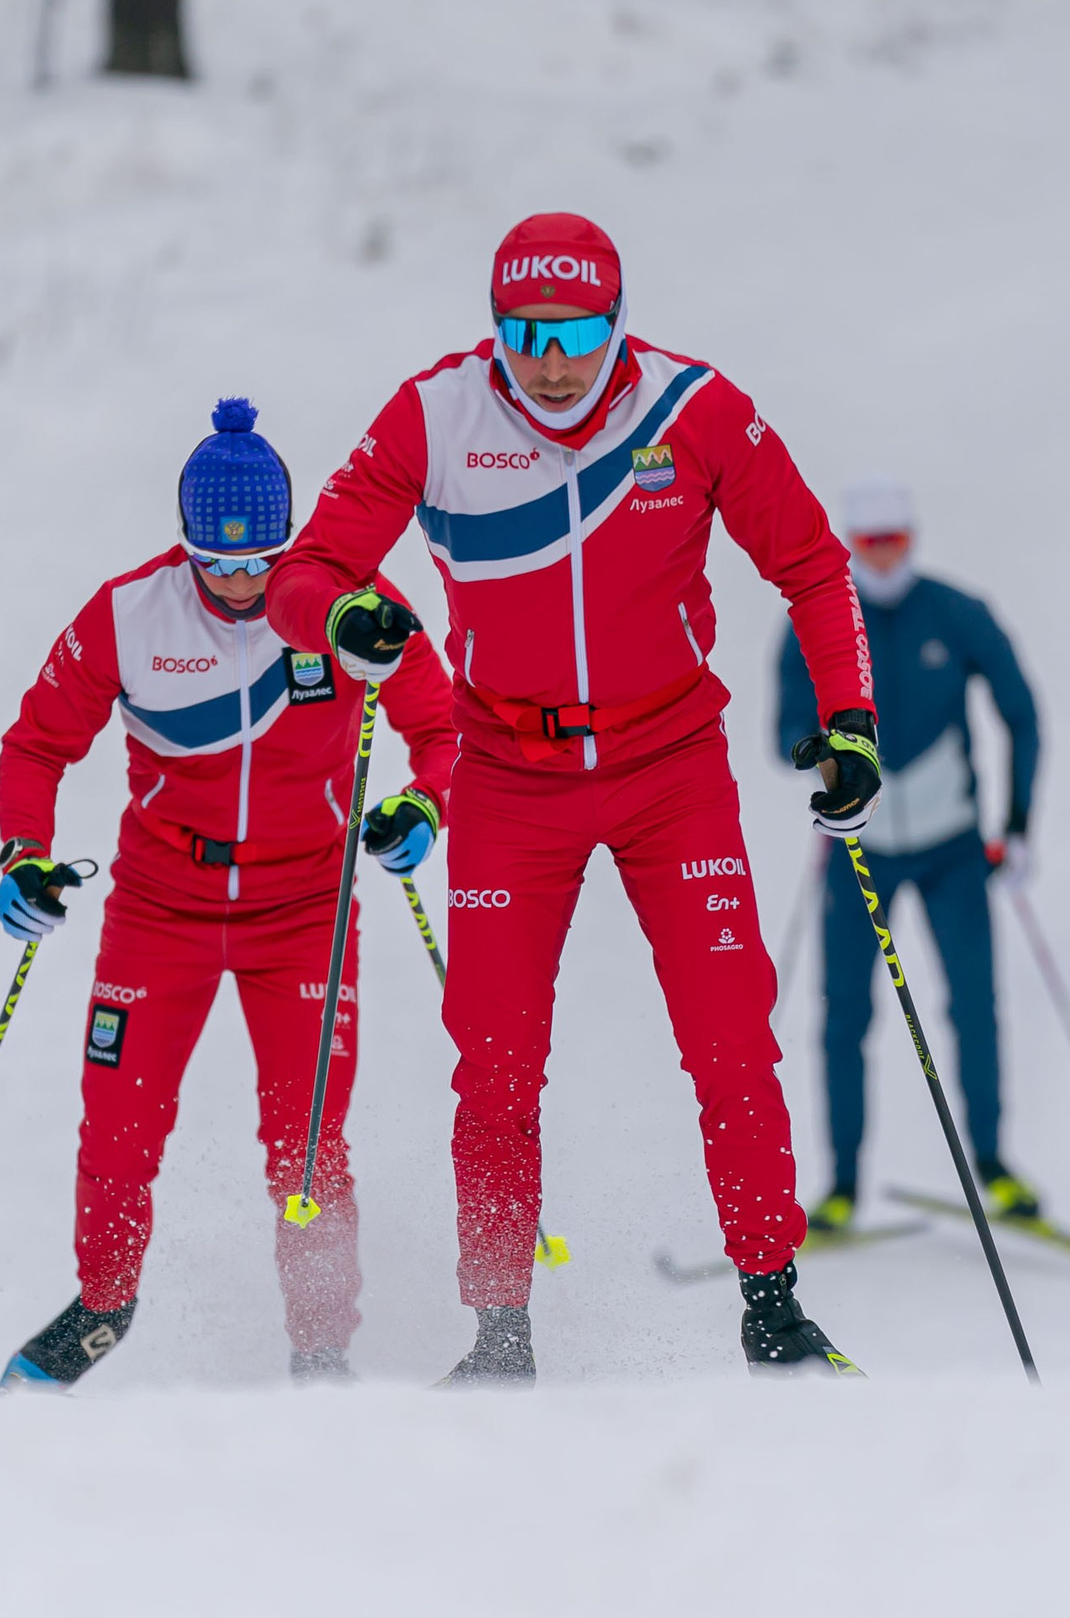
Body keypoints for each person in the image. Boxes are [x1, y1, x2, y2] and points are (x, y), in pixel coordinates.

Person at [265, 213, 881, 1382]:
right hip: (510, 775)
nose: (550, 361)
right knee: (493, 1061)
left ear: (618, 324)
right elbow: (307, 570)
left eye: (578, 333)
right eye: (525, 332)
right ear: (494, 327)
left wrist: (850, 718)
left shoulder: (691, 412)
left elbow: (810, 563)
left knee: (729, 1039)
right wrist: (340, 616)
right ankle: (500, 1333)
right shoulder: (437, 414)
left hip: (669, 767)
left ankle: (772, 1306)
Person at [0, 398, 458, 1391]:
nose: (242, 584)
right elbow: (37, 744)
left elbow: (445, 727)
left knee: (306, 1139)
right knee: (118, 1124)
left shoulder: (351, 610)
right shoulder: (128, 615)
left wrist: (422, 806)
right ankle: (101, 1309)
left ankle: (322, 1346)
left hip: (303, 912)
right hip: (162, 904)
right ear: (188, 546)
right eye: (219, 563)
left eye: (262, 562)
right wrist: (22, 855)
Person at [775, 477, 1042, 1231]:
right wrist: (819, 755)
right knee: (844, 1015)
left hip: (954, 848)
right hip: (861, 851)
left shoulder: (955, 612)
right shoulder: (819, 621)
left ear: (912, 538)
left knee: (974, 1005)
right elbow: (782, 725)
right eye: (869, 543)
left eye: (896, 539)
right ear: (851, 546)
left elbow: (1022, 711)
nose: (884, 555)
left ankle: (992, 1162)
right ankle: (841, 1183)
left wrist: (1017, 824)